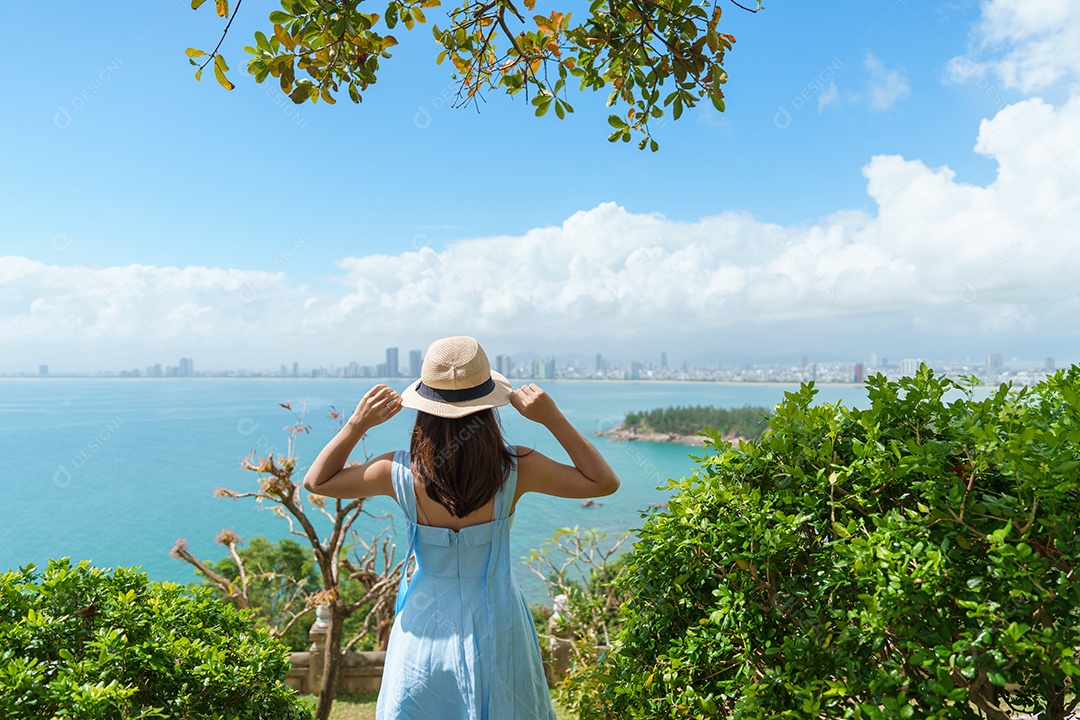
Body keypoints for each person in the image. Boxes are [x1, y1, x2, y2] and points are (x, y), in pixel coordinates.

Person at [302, 336, 620, 719]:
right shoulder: (516, 467)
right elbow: (603, 483)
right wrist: (552, 417)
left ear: (423, 407)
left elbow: (316, 482)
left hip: (424, 625)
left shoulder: (398, 472)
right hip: (499, 620)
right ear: (489, 407)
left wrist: (357, 424)